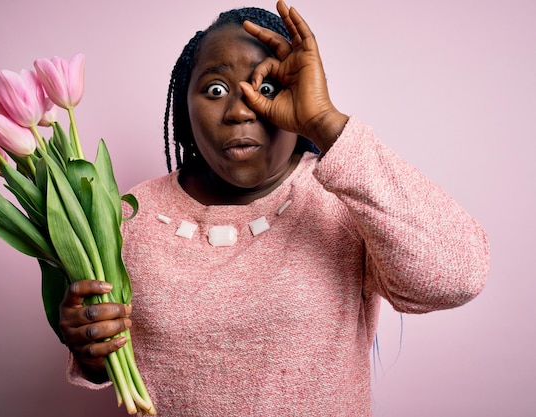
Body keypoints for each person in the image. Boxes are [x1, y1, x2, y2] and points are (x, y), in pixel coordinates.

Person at [58, 1, 489, 415]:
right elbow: (113, 359)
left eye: (266, 88)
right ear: (185, 108)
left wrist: (324, 121)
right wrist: (92, 350)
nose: (240, 110)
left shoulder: (340, 199)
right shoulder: (129, 214)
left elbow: (455, 277)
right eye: (214, 89)